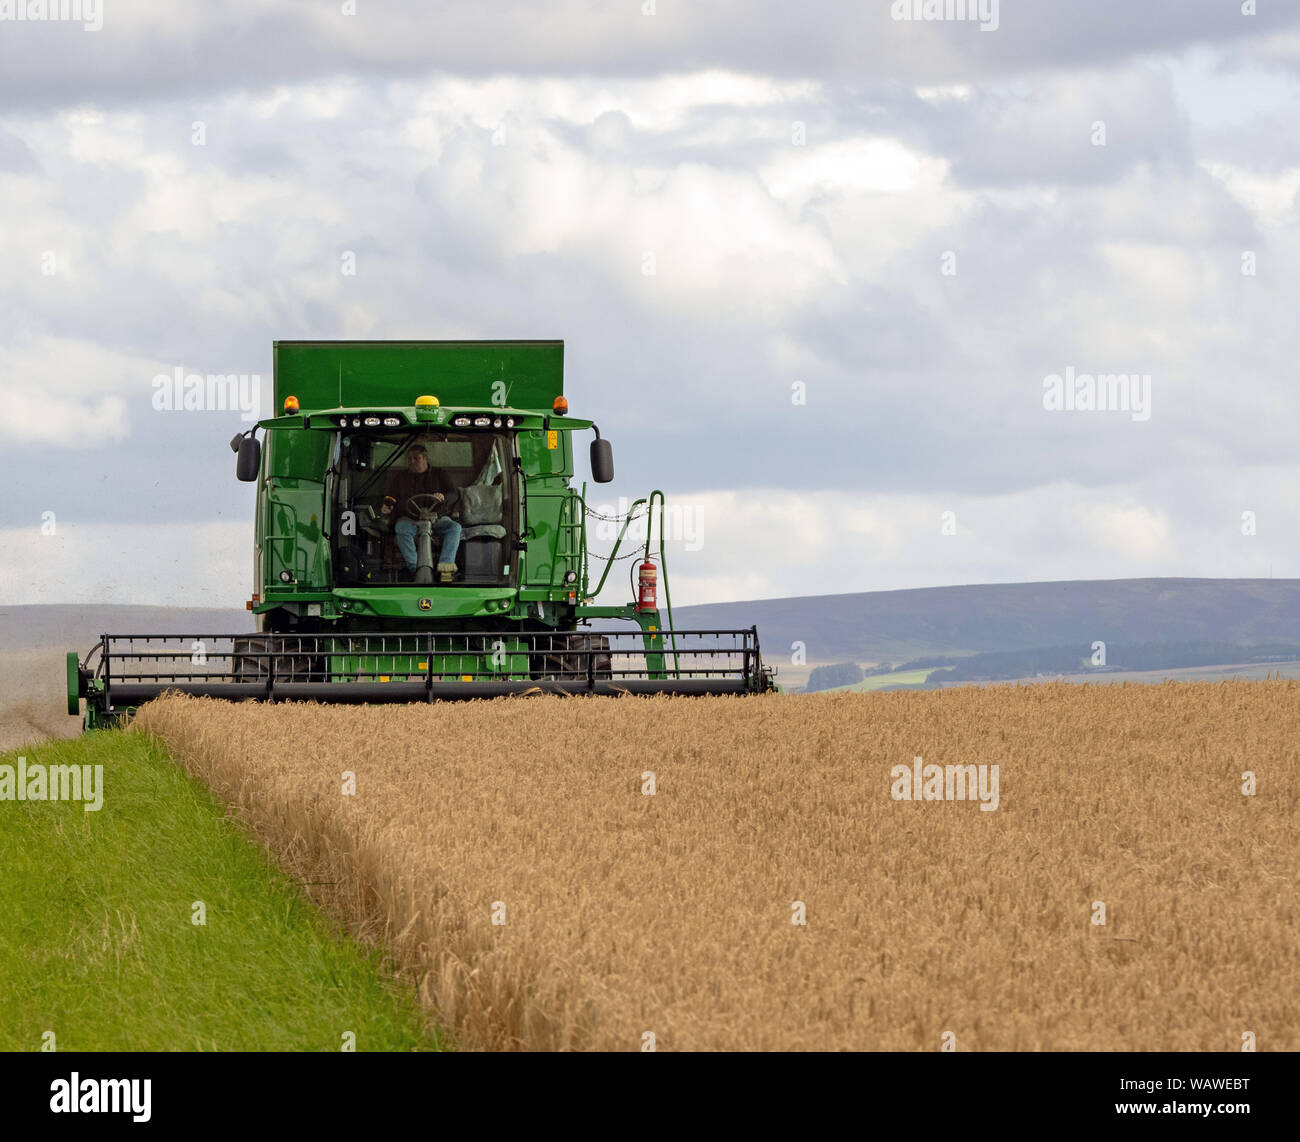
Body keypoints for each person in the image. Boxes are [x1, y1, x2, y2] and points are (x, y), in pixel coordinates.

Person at [381, 443, 462, 582]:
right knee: (401, 528)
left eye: (416, 458)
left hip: (437, 519)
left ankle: (445, 568)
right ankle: (415, 569)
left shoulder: (440, 474)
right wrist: (387, 505)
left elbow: (454, 494)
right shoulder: (401, 477)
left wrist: (444, 497)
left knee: (455, 527)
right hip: (411, 519)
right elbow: (391, 496)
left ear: (425, 458)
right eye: (410, 459)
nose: (412, 462)